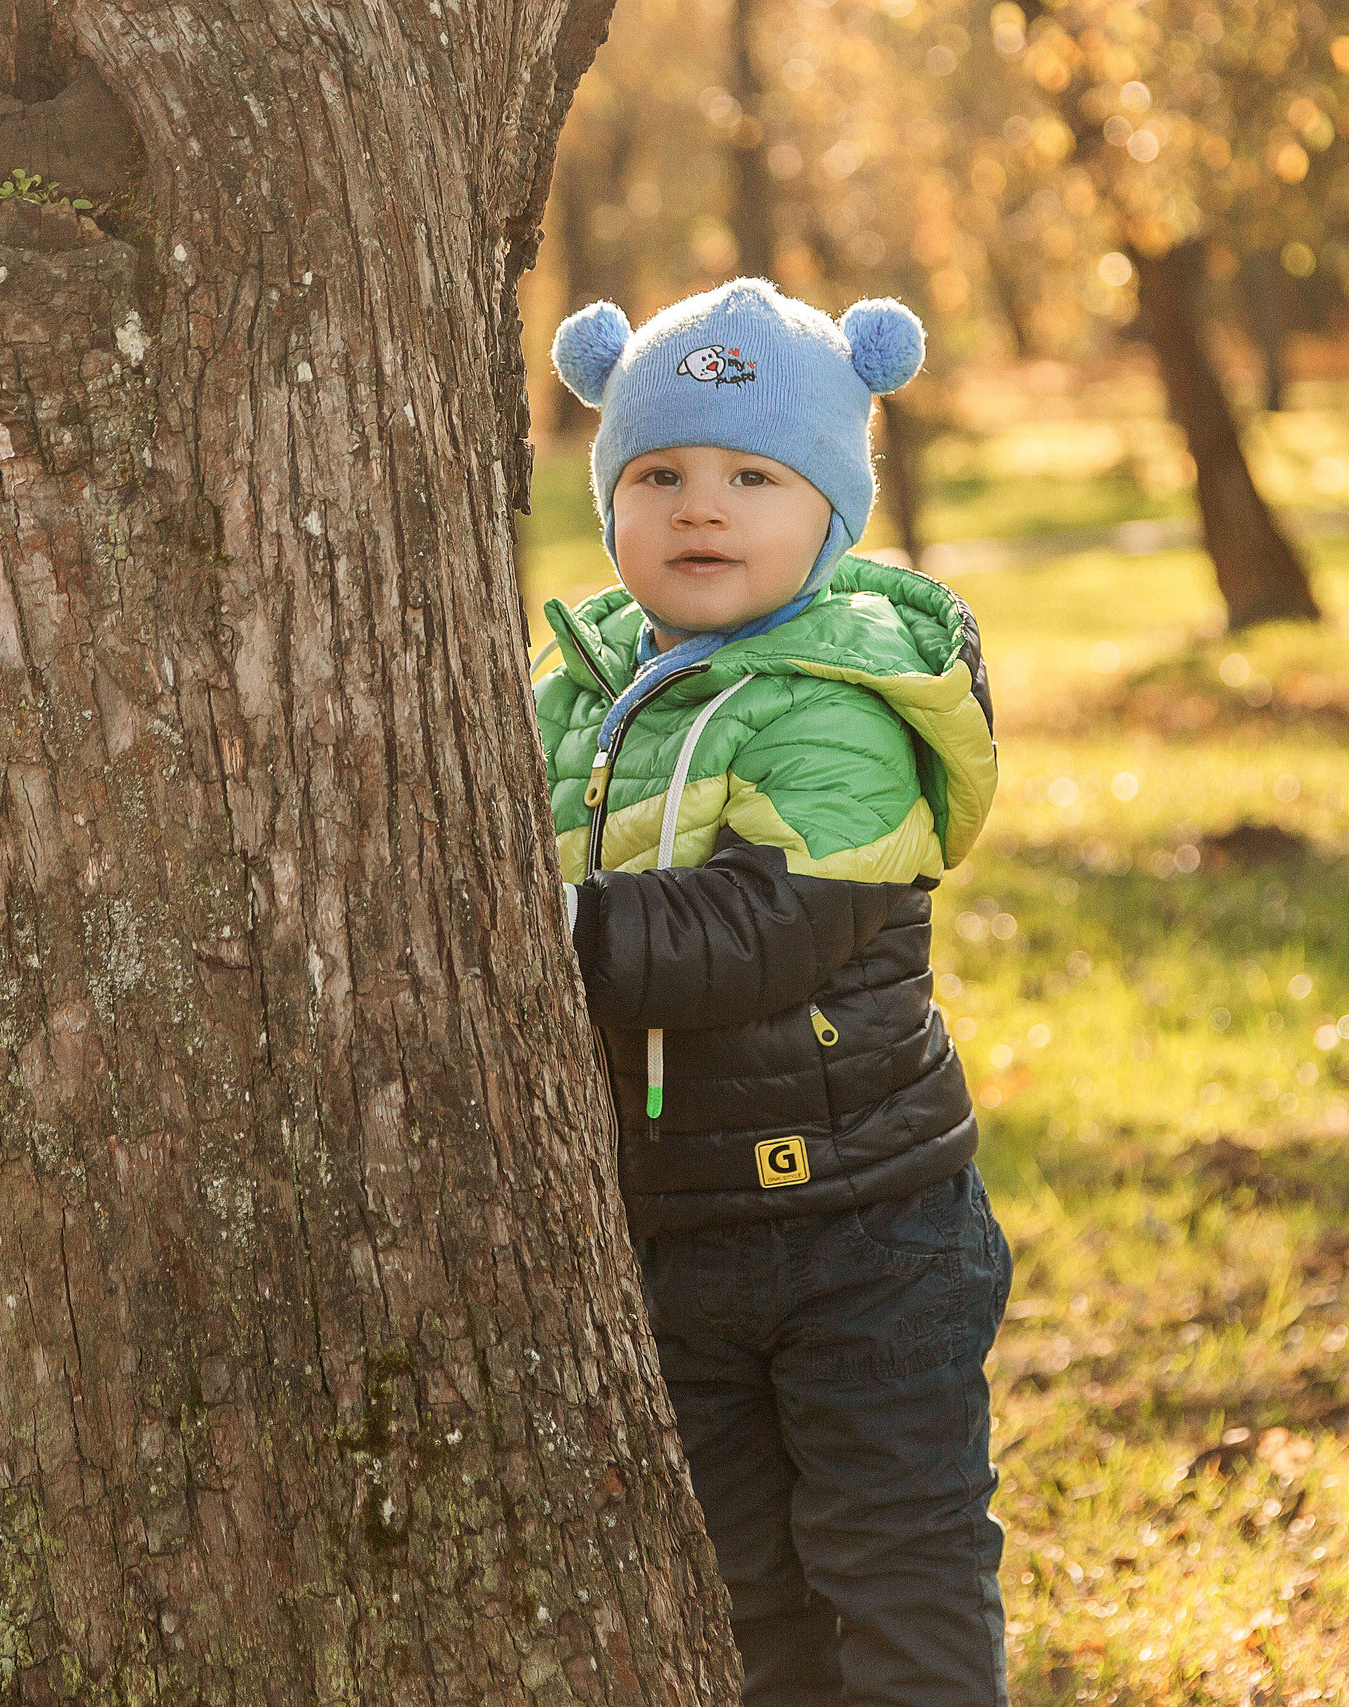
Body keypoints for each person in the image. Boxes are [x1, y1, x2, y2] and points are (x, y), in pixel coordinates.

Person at [534, 277, 1011, 1707]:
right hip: (676, 1237)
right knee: (742, 1593)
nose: (702, 508)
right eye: (661, 472)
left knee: (896, 1560)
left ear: (829, 511)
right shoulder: (580, 696)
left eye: (754, 474)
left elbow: (763, 932)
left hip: (865, 1235)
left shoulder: (847, 700)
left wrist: (545, 931)